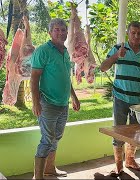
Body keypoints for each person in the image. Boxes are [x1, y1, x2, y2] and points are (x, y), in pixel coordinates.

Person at [100, 21, 140, 176]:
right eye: (133, 32)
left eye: (139, 33)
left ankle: (130, 160)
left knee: (135, 133)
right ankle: (118, 164)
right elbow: (103, 67)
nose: (136, 36)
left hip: (138, 101)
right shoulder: (119, 48)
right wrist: (116, 55)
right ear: (128, 33)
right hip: (120, 97)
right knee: (118, 131)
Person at [30, 18, 80, 179]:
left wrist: (74, 97)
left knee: (56, 137)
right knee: (47, 139)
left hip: (62, 103)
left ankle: (50, 168)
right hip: (47, 103)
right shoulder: (43, 50)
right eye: (56, 30)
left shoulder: (65, 52)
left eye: (63, 30)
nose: (60, 33)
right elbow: (34, 78)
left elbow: (66, 77)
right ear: (50, 32)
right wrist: (36, 102)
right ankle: (38, 176)